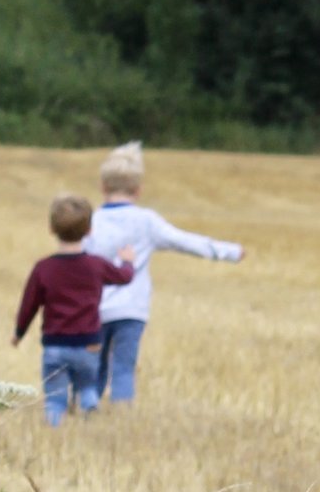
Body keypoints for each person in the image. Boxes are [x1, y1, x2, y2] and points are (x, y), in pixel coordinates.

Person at [85, 143, 242, 403]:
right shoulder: (146, 221)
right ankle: (122, 419)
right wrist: (230, 252)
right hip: (131, 311)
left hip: (95, 310)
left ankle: (87, 413)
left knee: (95, 369)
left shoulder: (92, 221)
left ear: (102, 187)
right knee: (123, 368)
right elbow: (185, 241)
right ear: (138, 190)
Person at [13, 194, 139, 424]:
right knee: (87, 388)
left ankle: (54, 428)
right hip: (88, 344)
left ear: (51, 228)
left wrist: (19, 333)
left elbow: (29, 305)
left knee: (54, 398)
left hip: (55, 344)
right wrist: (128, 261)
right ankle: (90, 418)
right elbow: (124, 277)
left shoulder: (44, 268)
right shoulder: (96, 265)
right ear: (89, 230)